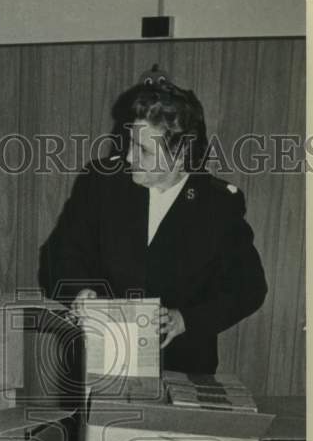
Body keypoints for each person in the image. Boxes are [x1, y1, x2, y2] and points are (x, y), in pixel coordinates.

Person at [43, 74, 267, 375]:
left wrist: (185, 319)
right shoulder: (102, 184)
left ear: (181, 154)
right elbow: (60, 254)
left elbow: (249, 288)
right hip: (100, 357)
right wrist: (79, 292)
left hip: (180, 365)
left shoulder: (218, 205)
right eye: (130, 143)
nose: (128, 156)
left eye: (144, 150)